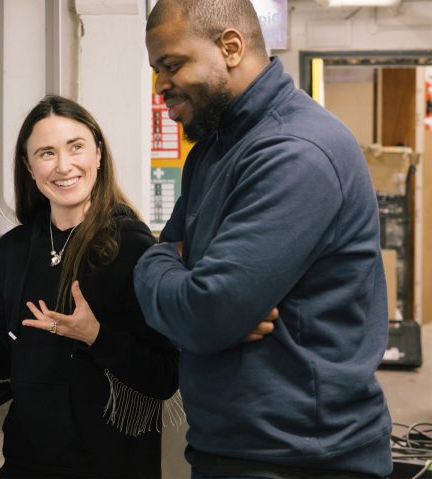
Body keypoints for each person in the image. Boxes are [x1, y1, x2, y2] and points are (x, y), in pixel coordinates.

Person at [135, 1, 393, 478]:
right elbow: (171, 261)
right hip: (235, 444)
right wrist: (162, 265)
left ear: (230, 47)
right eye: (156, 69)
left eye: (172, 65)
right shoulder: (214, 148)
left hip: (304, 459)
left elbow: (205, 313)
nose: (161, 85)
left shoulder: (294, 152)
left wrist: (160, 273)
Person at [0, 95, 179, 478]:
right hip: (27, 463)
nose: (64, 166)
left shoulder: (134, 247)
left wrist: (95, 336)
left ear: (98, 154)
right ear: (29, 166)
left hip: (111, 467)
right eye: (47, 153)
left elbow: (164, 376)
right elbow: (12, 350)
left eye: (76, 147)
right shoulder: (16, 248)